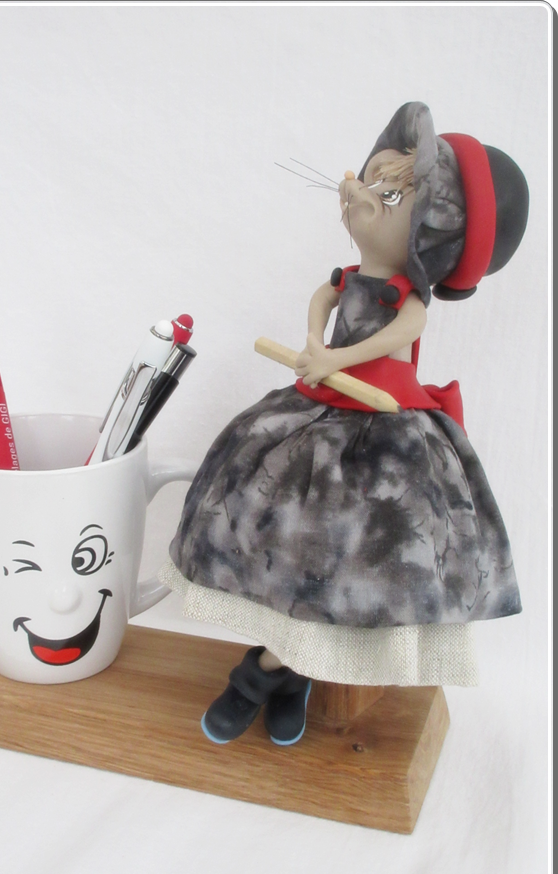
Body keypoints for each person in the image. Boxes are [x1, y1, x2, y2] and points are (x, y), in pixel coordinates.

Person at [159, 102, 529, 746]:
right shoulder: (350, 277)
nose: (359, 189)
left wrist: (334, 358)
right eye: (372, 177)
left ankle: (268, 676)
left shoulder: (407, 299)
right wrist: (314, 341)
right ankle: (285, 672)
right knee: (281, 531)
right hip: (319, 404)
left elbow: (400, 335)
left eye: (391, 193)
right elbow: (324, 300)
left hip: (385, 432)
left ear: (434, 239)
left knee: (354, 556)